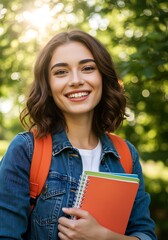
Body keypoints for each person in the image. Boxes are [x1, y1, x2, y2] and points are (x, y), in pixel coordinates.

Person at [0, 29, 157, 240]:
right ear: (47, 85)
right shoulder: (26, 150)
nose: (75, 80)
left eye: (87, 68)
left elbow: (145, 234)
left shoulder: (126, 155)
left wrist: (103, 237)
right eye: (61, 72)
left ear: (103, 76)